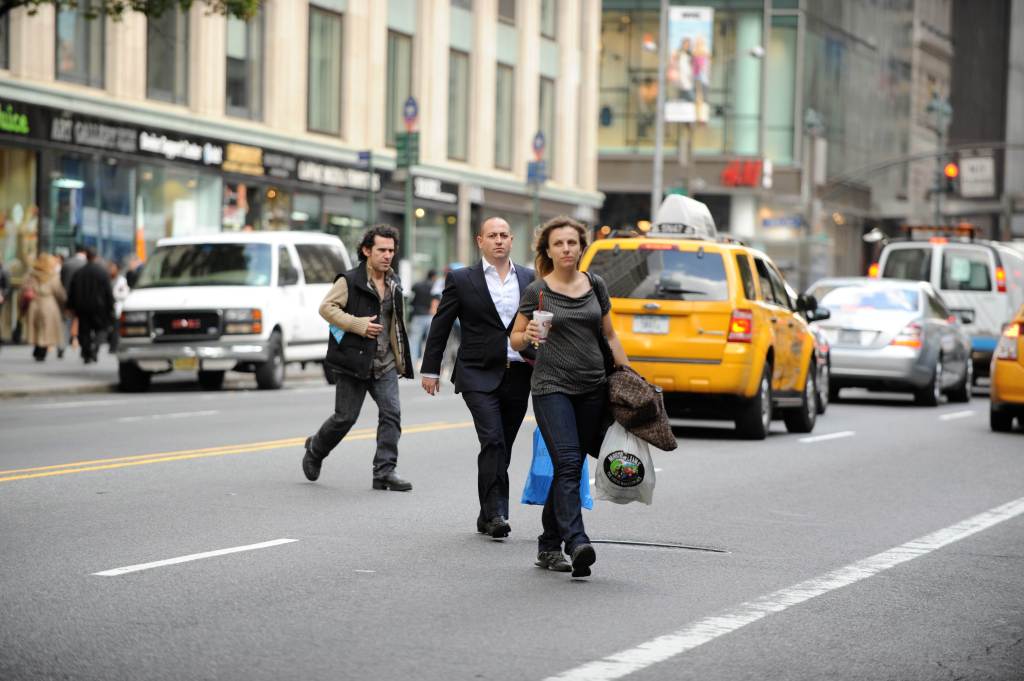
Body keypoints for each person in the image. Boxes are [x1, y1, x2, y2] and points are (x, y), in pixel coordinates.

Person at [510, 216, 630, 578]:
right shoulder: (537, 291)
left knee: (571, 464)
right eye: (558, 244)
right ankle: (577, 541)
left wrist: (629, 378)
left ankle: (548, 543)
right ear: (548, 250)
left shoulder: (596, 285)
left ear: (581, 247)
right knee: (566, 462)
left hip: (592, 388)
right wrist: (528, 333)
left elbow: (610, 336)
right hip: (551, 387)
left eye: (572, 243)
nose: (566, 249)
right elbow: (515, 338)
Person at [421, 217, 536, 539]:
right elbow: (441, 325)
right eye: (492, 236)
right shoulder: (461, 278)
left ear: (512, 239)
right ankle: (497, 513)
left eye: (503, 235)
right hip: (476, 371)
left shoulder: (529, 278)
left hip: (518, 371)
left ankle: (487, 513)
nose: (498, 240)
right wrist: (431, 369)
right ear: (479, 241)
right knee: (493, 440)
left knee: (504, 448)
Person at [302, 225, 415, 492]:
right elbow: (326, 308)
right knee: (345, 418)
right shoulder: (349, 280)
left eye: (391, 250)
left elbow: (395, 323)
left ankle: (384, 471)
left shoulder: (394, 282)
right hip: (353, 362)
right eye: (381, 250)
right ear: (367, 251)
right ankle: (315, 449)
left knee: (392, 413)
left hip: (384, 363)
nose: (388, 255)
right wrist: (356, 324)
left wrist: (401, 359)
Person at [67, 248, 114, 364]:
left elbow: (72, 291)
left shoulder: (79, 273)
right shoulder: (102, 272)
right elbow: (108, 291)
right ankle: (95, 348)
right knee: (101, 329)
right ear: (96, 257)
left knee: (84, 331)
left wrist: (70, 306)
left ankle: (86, 352)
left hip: (82, 307)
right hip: (99, 308)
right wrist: (110, 306)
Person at [22, 253, 67, 362]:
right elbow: (59, 292)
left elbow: (24, 288)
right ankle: (42, 349)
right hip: (48, 303)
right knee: (46, 328)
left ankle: (38, 347)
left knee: (36, 327)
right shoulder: (52, 275)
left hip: (34, 303)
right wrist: (65, 302)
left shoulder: (31, 274)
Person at [60, 244, 87, 358]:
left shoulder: (66, 264)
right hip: (81, 298)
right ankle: (76, 340)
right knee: (80, 321)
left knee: (65, 321)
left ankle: (62, 345)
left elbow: (61, 282)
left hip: (66, 297)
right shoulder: (85, 264)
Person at [408, 269, 438, 364]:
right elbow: (436, 301)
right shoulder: (434, 286)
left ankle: (413, 363)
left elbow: (411, 299)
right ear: (434, 276)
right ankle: (429, 364)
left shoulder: (417, 285)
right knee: (431, 342)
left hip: (417, 316)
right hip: (430, 316)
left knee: (415, 341)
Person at [108, 260, 130, 353]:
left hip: (117, 307)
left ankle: (114, 347)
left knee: (116, 328)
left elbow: (124, 293)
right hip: (109, 308)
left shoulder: (122, 281)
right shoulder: (107, 279)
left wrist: (113, 296)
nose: (110, 270)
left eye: (113, 268)